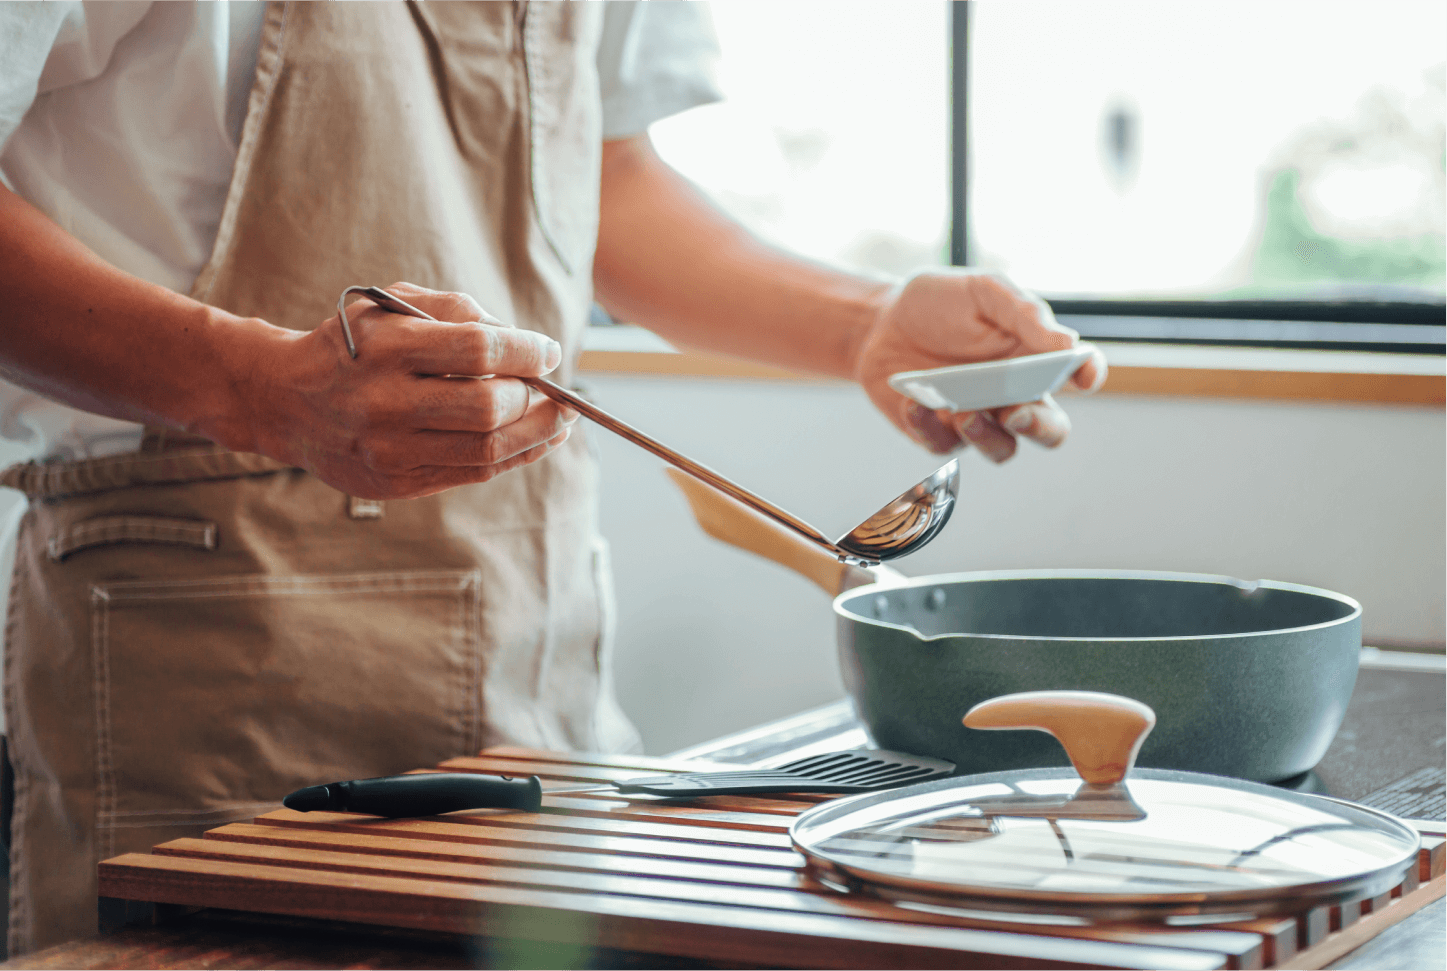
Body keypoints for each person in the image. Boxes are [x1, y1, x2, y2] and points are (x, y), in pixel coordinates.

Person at [0, 0, 1105, 954]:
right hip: (206, 650)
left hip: (535, 633)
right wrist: (256, 387)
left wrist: (862, 321)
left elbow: (603, 175)